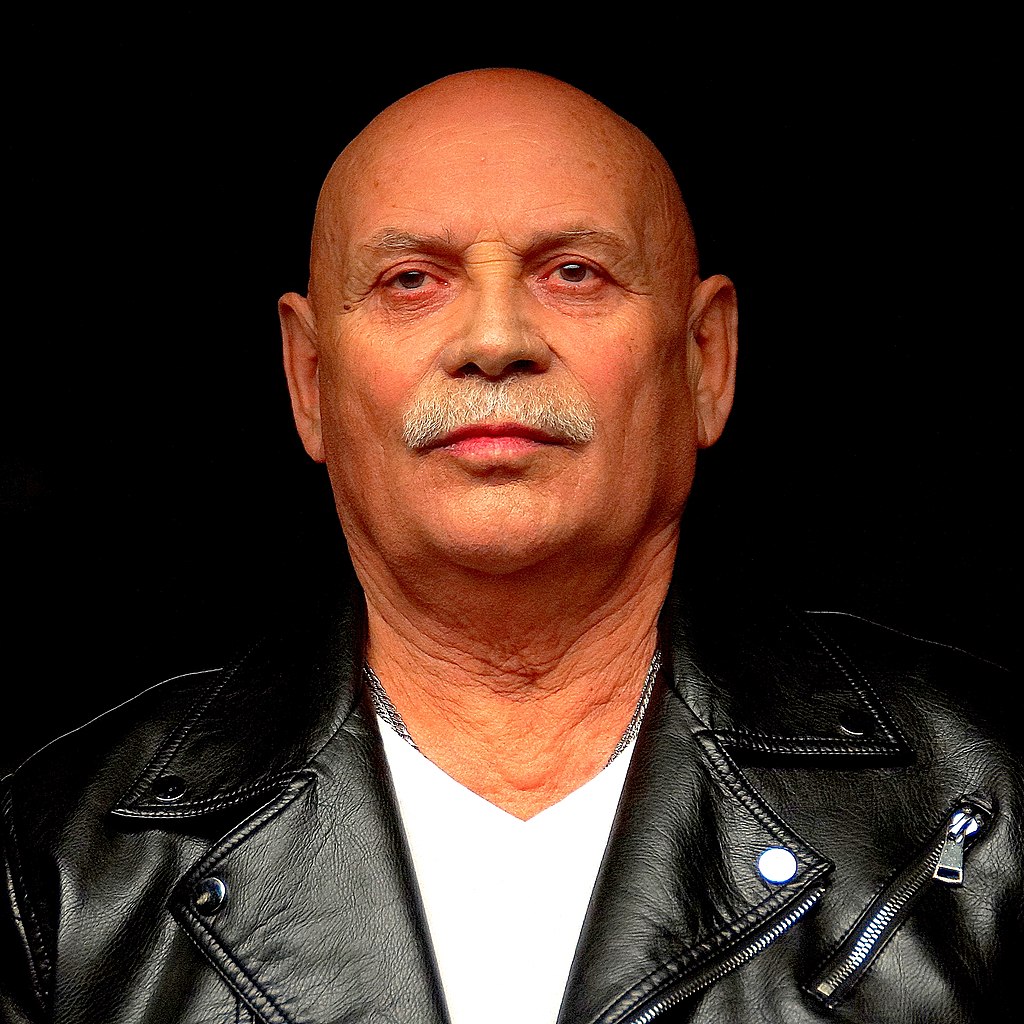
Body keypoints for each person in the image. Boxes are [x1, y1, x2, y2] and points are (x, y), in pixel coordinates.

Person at [1, 67, 1019, 1024]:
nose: (494, 341)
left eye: (574, 273)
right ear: (309, 381)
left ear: (704, 361)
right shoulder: (63, 864)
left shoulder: (991, 800)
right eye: (410, 280)